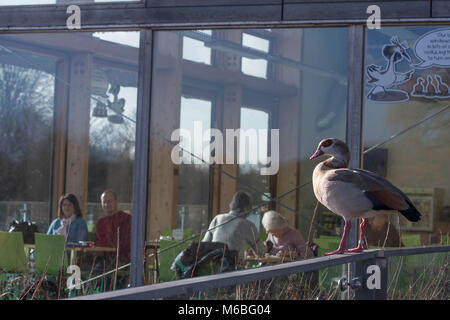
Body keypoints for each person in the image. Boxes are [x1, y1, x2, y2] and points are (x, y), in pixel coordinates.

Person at [202, 191, 264, 260]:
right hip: (234, 267)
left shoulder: (218, 218)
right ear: (248, 209)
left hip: (213, 265)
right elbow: (260, 252)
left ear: (232, 204)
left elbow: (204, 244)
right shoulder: (248, 225)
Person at [95, 190, 131, 264]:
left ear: (116, 201)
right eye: (104, 202)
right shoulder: (101, 222)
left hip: (121, 257)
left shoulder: (126, 219)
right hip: (103, 258)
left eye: (109, 201)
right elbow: (98, 242)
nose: (107, 204)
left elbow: (126, 243)